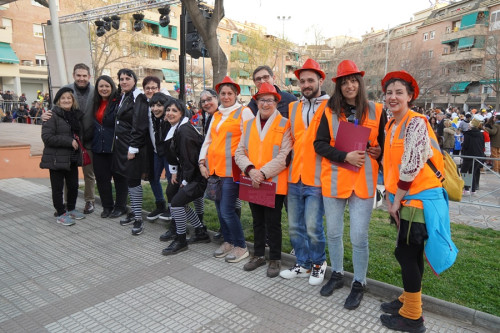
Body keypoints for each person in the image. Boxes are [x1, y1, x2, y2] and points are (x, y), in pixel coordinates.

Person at [380, 71, 457, 333]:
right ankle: (408, 300)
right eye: (389, 92)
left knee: (405, 253)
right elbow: (396, 158)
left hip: (418, 200)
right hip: (408, 199)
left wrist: (394, 202)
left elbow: (411, 166)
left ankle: (413, 317)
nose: (393, 97)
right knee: (411, 255)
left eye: (399, 92)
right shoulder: (392, 124)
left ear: (410, 96)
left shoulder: (416, 123)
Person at [313, 60, 385, 309]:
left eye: (353, 81)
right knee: (332, 233)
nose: (349, 85)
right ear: (339, 86)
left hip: (363, 183)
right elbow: (319, 144)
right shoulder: (329, 110)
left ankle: (359, 282)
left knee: (358, 236)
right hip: (334, 180)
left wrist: (378, 151)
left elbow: (384, 146)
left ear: (360, 83)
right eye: (344, 82)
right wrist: (345, 156)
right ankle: (337, 274)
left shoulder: (377, 110)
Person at [279, 58, 329, 286]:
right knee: (294, 225)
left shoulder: (332, 106)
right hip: (295, 175)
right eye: (302, 81)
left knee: (313, 225)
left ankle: (319, 263)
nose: (306, 84)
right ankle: (303, 262)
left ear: (320, 80)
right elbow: (291, 140)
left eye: (310, 80)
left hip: (318, 177)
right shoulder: (293, 107)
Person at [235, 82, 292, 278]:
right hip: (253, 180)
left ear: (276, 102)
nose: (265, 104)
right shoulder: (249, 124)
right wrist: (251, 171)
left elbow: (285, 156)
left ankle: (275, 258)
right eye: (261, 100)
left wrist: (263, 173)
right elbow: (239, 152)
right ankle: (258, 255)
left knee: (273, 222)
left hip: (272, 182)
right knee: (257, 220)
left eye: (270, 100)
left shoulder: (285, 124)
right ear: (256, 101)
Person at [198, 76, 254, 263]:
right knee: (219, 209)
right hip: (214, 169)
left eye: (230, 93)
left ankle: (241, 246)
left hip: (232, 170)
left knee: (227, 210)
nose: (226, 96)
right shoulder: (217, 115)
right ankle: (229, 241)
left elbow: (251, 140)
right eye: (223, 93)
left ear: (236, 94)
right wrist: (201, 162)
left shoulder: (244, 113)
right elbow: (208, 140)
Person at [42, 64, 96, 214]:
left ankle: (89, 201)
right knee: (67, 174)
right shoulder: (66, 90)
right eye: (79, 75)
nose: (81, 78)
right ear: (74, 75)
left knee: (88, 174)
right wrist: (43, 116)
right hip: (70, 141)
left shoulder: (95, 91)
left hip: (89, 140)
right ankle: (67, 205)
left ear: (89, 77)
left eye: (84, 76)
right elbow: (55, 110)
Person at [160, 98, 210, 255]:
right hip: (186, 172)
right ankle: (200, 231)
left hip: (197, 176)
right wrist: (174, 171)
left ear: (182, 113)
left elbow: (190, 159)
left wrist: (185, 180)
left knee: (176, 203)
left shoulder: (184, 131)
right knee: (172, 194)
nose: (170, 113)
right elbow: (174, 155)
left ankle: (180, 240)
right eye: (168, 110)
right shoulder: (175, 128)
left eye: (174, 110)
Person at [40, 87, 86, 226]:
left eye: (69, 98)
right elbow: (47, 137)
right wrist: (69, 141)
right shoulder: (51, 115)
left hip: (71, 158)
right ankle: (60, 213)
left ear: (73, 101)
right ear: (58, 101)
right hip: (56, 158)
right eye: (63, 98)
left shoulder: (74, 115)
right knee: (58, 188)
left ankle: (71, 208)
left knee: (73, 186)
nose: (66, 100)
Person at [112, 68, 150, 235]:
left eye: (128, 78)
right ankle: (134, 211)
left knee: (134, 182)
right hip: (122, 147)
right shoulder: (124, 96)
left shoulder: (138, 97)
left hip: (132, 148)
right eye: (121, 79)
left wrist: (132, 148)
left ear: (134, 80)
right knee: (129, 180)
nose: (124, 81)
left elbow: (139, 125)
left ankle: (138, 220)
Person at [91, 75, 129, 218]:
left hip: (115, 147)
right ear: (97, 88)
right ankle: (107, 206)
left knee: (120, 178)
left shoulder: (118, 101)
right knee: (102, 179)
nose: (104, 89)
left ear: (112, 87)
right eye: (101, 86)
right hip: (98, 147)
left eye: (107, 86)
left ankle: (120, 207)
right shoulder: (94, 102)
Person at [141, 76, 171, 221]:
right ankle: (160, 204)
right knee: (153, 177)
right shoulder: (146, 104)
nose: (150, 90)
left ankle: (172, 208)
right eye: (147, 88)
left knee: (172, 180)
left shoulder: (167, 103)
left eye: (153, 88)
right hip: (155, 150)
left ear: (159, 89)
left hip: (168, 152)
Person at [460, 117, 485, 195]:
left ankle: (467, 189)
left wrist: (463, 152)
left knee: (464, 171)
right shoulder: (481, 134)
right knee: (472, 172)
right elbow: (482, 145)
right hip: (478, 155)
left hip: (469, 155)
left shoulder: (467, 134)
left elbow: (465, 145)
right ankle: (473, 190)